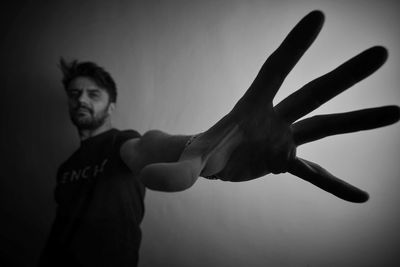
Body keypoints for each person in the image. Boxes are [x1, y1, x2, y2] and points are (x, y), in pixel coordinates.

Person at [38, 10, 399, 267]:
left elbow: (148, 147)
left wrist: (205, 147)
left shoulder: (122, 142)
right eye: (74, 94)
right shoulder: (65, 168)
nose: (81, 100)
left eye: (93, 93)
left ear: (111, 105)